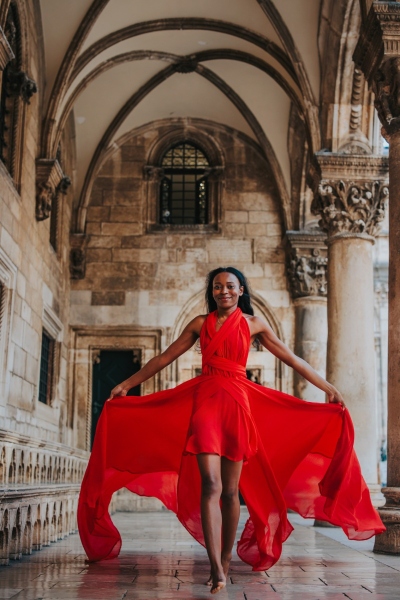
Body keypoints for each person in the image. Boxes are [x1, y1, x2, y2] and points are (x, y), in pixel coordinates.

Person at [78, 267, 384, 595]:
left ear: (240, 291)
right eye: (217, 287)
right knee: (210, 484)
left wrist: (327, 387)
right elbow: (164, 357)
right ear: (212, 292)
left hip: (238, 405)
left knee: (229, 491)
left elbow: (292, 359)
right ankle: (213, 565)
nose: (223, 291)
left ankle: (225, 557)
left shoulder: (254, 325)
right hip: (206, 406)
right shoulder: (199, 324)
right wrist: (126, 384)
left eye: (229, 286)